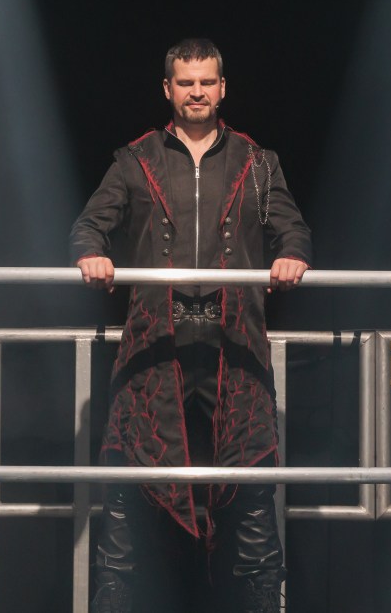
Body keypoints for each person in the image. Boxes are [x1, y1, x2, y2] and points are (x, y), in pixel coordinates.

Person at [70, 38, 312, 613]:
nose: (197, 92)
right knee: (129, 490)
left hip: (234, 348)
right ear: (168, 89)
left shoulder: (258, 161)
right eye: (186, 82)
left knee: (251, 494)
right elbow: (88, 226)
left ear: (222, 88)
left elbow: (293, 230)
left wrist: (292, 256)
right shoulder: (134, 160)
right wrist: (91, 254)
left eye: (206, 82)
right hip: (157, 347)